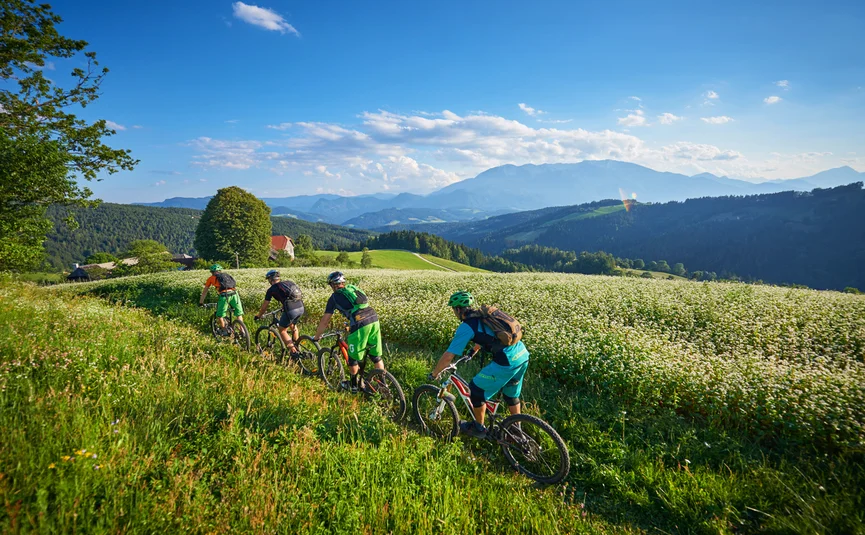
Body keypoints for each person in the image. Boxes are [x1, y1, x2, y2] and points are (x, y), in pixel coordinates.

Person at [429, 291, 530, 439]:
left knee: (476, 390)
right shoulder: (482, 316)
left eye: (453, 309)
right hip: (522, 355)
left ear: (457, 310)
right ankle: (516, 430)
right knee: (511, 395)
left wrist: (435, 373)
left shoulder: (466, 326)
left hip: (506, 362)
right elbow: (488, 334)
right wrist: (473, 351)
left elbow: (449, 356)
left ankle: (479, 428)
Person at [313, 271, 384, 393]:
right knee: (375, 355)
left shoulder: (334, 297)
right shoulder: (352, 288)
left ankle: (354, 386)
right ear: (343, 283)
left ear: (332, 285)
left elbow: (325, 321)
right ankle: (383, 384)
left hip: (360, 322)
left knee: (352, 358)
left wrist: (317, 336)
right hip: (373, 318)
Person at [254, 270, 305, 358]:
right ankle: (297, 346)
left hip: (290, 309)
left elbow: (264, 306)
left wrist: (259, 315)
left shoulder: (271, 289)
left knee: (282, 330)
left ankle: (294, 352)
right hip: (301, 307)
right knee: (293, 326)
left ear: (270, 280)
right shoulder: (288, 282)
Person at [199, 264, 244, 333]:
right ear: (220, 271)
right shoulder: (226, 275)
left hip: (224, 295)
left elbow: (205, 292)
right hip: (235, 294)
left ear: (211, 272)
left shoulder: (211, 278)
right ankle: (242, 330)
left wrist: (201, 302)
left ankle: (224, 331)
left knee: (220, 315)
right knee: (239, 313)